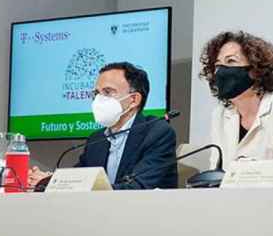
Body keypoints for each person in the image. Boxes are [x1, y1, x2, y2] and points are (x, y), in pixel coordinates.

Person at [27, 62, 178, 189]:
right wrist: (51, 182)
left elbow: (138, 188)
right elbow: (77, 181)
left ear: (133, 100)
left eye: (107, 92)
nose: (98, 99)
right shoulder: (96, 139)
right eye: (96, 93)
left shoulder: (157, 133)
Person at [199, 31, 273, 169]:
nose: (220, 72)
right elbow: (217, 175)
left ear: (256, 70)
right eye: (217, 65)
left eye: (231, 61)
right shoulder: (220, 115)